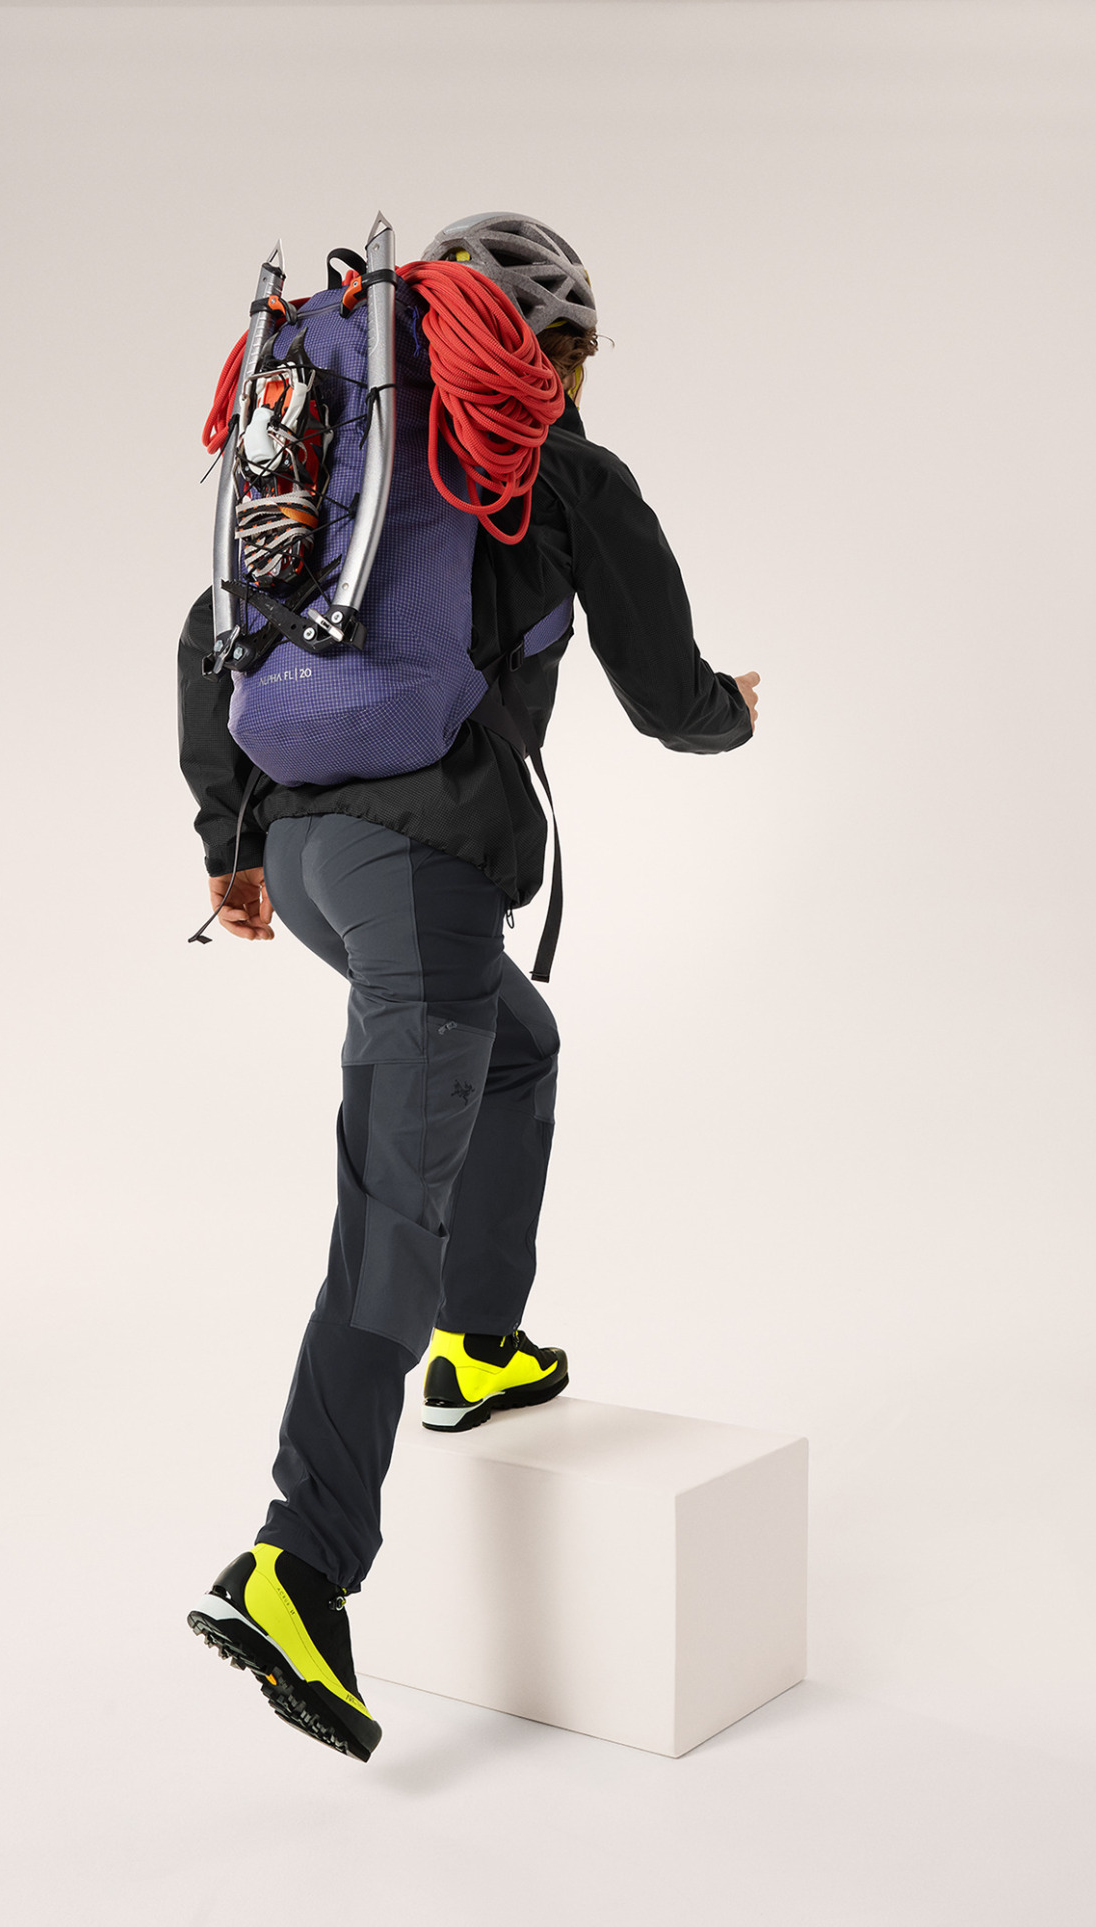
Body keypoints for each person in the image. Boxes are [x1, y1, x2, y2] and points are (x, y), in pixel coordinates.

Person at [179, 213, 760, 1761]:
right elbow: (668, 698)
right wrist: (733, 711)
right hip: (425, 876)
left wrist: (232, 843)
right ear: (548, 353)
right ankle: (298, 1565)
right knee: (390, 1212)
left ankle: (480, 1346)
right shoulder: (555, 472)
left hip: (313, 856)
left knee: (517, 1049)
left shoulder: (343, 458)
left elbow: (208, 634)